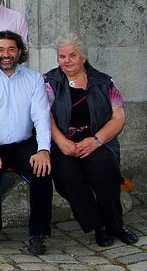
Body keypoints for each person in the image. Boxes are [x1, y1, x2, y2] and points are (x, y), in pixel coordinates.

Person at [44, 33, 139, 247]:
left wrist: (96, 141)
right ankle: (99, 226)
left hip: (98, 142)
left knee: (102, 168)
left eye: (72, 55)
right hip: (64, 144)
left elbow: (118, 117)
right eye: (62, 56)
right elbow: (44, 117)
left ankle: (116, 224)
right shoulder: (49, 82)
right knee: (67, 176)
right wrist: (62, 142)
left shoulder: (104, 82)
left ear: (83, 57)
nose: (67, 61)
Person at [0, 31, 52, 255]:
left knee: (42, 171)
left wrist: (43, 150)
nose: (6, 54)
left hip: (22, 144)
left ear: (19, 52)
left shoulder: (34, 78)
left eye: (11, 49)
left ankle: (38, 233)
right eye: (0, 49)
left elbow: (41, 116)